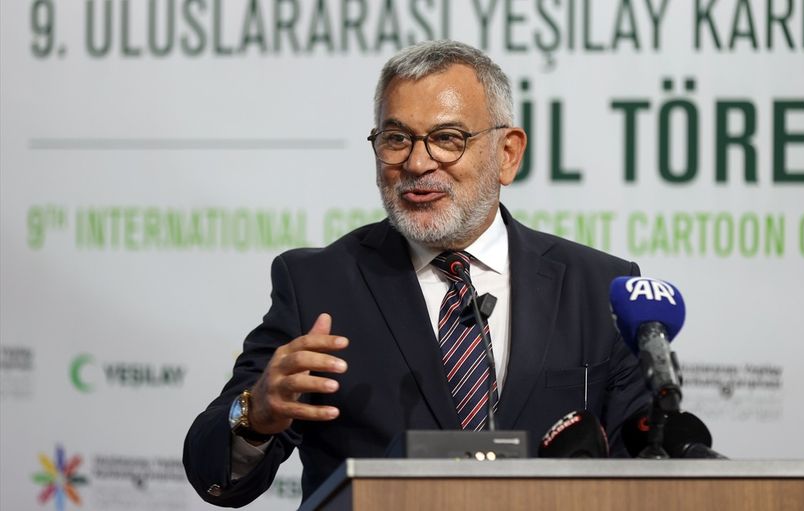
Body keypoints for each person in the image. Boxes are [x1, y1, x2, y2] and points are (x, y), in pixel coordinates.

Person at [183, 40, 649, 507]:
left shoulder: (598, 289)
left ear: (507, 154)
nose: (417, 164)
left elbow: (647, 472)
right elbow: (214, 473)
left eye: (447, 138)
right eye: (396, 139)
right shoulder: (318, 284)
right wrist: (255, 415)